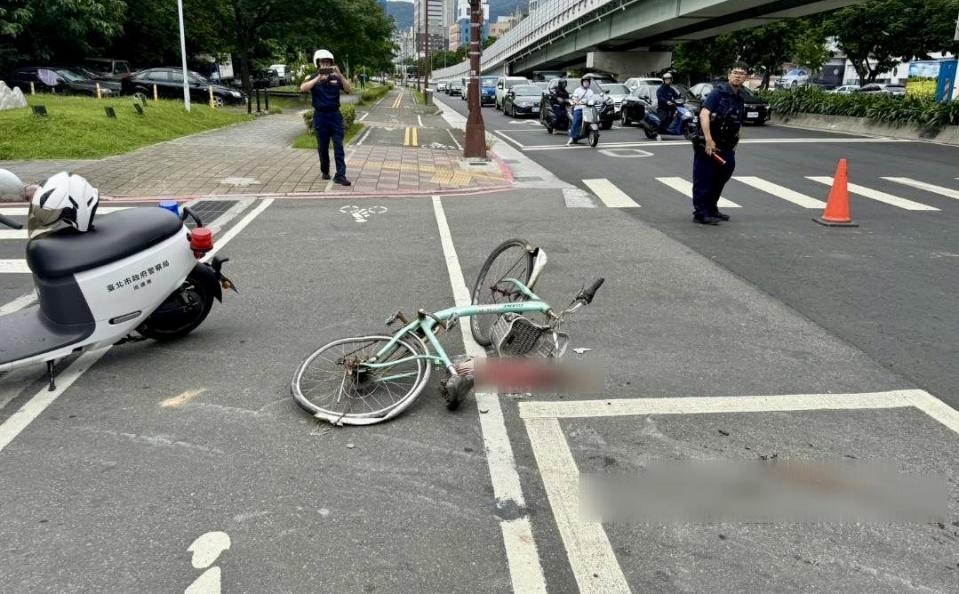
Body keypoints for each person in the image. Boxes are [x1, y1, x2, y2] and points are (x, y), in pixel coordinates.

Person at [691, 63, 747, 225]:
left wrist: (736, 143)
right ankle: (701, 213)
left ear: (745, 77)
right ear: (729, 75)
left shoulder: (740, 97)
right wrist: (708, 139)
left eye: (741, 73)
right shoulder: (718, 93)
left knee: (722, 176)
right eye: (735, 72)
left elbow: (738, 122)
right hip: (710, 145)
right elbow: (704, 115)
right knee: (704, 179)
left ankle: (712, 208)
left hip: (728, 145)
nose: (738, 75)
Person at [300, 49, 353, 186]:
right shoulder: (312, 77)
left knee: (338, 147)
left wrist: (340, 75)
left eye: (328, 62)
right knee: (322, 148)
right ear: (318, 63)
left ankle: (340, 175)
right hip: (320, 116)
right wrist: (318, 78)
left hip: (335, 115)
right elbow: (303, 88)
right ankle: (325, 171)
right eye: (323, 62)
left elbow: (348, 89)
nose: (326, 65)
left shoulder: (336, 77)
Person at [567, 75, 597, 146]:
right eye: (585, 82)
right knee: (576, 121)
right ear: (582, 82)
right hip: (579, 108)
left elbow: (592, 99)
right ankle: (571, 138)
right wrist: (576, 101)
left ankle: (593, 131)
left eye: (587, 82)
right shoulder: (577, 90)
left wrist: (592, 101)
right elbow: (574, 98)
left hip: (588, 108)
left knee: (596, 117)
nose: (586, 83)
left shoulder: (590, 91)